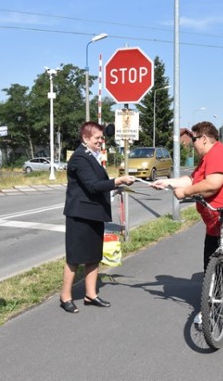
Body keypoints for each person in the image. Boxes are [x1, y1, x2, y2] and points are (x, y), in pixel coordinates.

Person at [151, 121, 223, 334]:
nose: (192, 144)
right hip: (216, 219)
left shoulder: (219, 153)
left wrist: (185, 193)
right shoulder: (205, 160)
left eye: (193, 140)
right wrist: (168, 183)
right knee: (209, 264)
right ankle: (209, 305)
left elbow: (213, 183)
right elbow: (191, 178)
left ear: (204, 138)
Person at [59, 122, 135, 313]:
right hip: (80, 215)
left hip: (94, 214)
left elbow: (99, 184)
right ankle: (65, 296)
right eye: (97, 138)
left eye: (102, 138)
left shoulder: (92, 156)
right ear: (85, 138)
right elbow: (93, 186)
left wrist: (116, 187)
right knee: (75, 258)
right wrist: (118, 180)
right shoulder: (79, 158)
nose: (102, 141)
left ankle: (90, 294)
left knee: (93, 256)